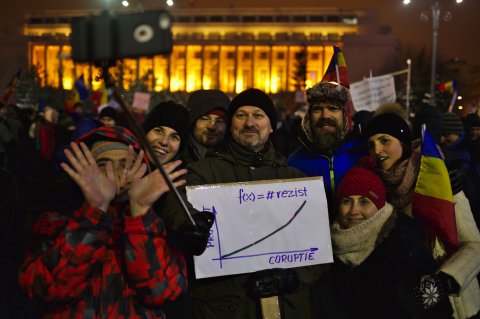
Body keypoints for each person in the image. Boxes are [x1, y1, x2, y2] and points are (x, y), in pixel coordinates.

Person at [161, 88, 319, 319]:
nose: (249, 123)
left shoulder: (296, 179)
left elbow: (319, 245)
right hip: (223, 307)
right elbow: (177, 201)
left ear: (271, 126)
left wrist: (295, 276)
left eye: (258, 115)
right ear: (232, 125)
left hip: (285, 307)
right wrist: (190, 223)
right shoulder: (203, 172)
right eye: (241, 115)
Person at [19, 126, 188, 318]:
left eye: (125, 164)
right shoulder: (56, 219)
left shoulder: (156, 222)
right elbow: (49, 288)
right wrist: (94, 211)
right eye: (103, 164)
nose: (115, 172)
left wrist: (140, 210)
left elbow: (163, 292)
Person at [364, 112, 480, 319]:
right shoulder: (378, 191)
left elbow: (474, 245)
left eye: (384, 141)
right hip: (409, 309)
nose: (377, 150)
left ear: (403, 143)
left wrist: (437, 286)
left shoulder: (439, 180)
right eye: (371, 144)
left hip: (455, 306)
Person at [312, 164, 453, 318]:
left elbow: (435, 306)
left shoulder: (406, 242)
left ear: (378, 205)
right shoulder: (327, 250)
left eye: (364, 201)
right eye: (346, 201)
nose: (354, 210)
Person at [287, 81, 366, 219]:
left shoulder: (362, 154)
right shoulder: (294, 163)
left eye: (333, 108)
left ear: (344, 115)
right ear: (308, 117)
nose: (325, 115)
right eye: (317, 109)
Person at [185, 89, 230, 162]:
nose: (212, 127)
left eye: (219, 121)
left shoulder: (236, 160)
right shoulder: (175, 156)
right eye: (204, 119)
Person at [142, 100, 190, 166]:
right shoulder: (125, 161)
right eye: (159, 131)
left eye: (174, 137)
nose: (164, 142)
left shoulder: (187, 174)